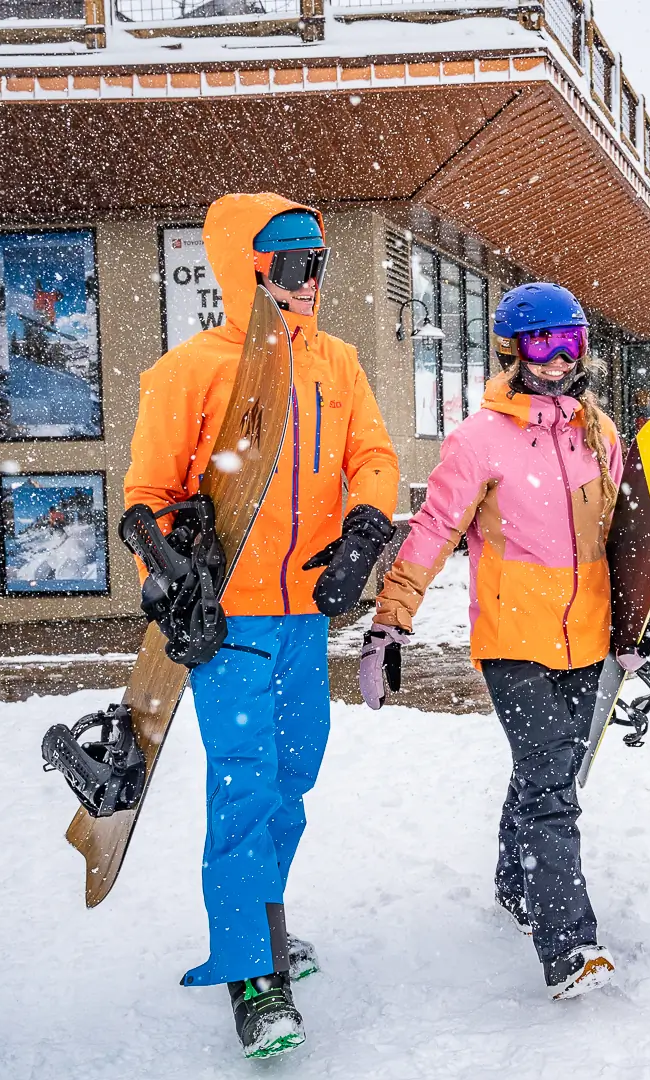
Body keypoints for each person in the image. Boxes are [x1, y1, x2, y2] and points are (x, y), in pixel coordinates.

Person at [125, 193, 399, 1059]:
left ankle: (267, 924)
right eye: (292, 262)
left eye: (319, 261)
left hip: (302, 618)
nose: (311, 278)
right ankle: (250, 971)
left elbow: (374, 456)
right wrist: (174, 585)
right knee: (243, 786)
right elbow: (147, 500)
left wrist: (364, 526)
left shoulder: (338, 364)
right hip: (231, 619)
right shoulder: (191, 371)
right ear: (250, 268)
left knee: (291, 779)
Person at [360, 281, 624, 1002]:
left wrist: (644, 613)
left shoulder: (599, 432)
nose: (557, 357)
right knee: (550, 787)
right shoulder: (478, 440)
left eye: (569, 340)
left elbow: (620, 535)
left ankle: (516, 885)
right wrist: (390, 620)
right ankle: (568, 944)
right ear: (512, 352)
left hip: (586, 635)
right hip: (513, 638)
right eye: (540, 343)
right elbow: (434, 530)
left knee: (549, 773)